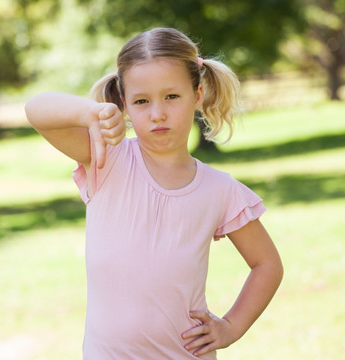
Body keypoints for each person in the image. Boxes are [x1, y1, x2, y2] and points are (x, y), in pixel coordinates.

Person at [25, 27, 283, 359]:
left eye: (171, 96)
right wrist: (89, 114)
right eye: (142, 101)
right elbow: (36, 109)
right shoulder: (106, 158)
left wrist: (231, 327)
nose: (157, 113)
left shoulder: (219, 189)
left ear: (198, 94)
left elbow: (267, 264)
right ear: (124, 104)